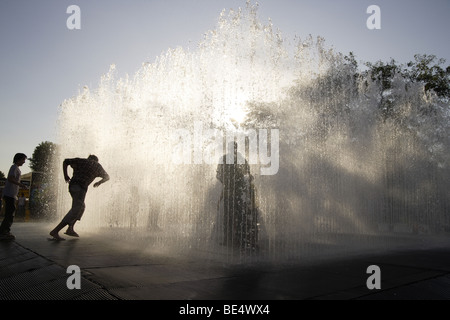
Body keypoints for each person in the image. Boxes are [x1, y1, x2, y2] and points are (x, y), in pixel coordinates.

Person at [49, 155, 109, 240]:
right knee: (76, 209)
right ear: (96, 160)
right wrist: (99, 183)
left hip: (73, 186)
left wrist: (65, 175)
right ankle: (55, 231)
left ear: (88, 158)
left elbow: (65, 161)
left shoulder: (81, 161)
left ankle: (70, 228)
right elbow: (107, 177)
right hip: (81, 188)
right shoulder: (97, 165)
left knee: (81, 207)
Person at [216, 142, 258, 252]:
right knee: (236, 218)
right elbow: (249, 175)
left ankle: (230, 240)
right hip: (237, 194)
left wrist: (226, 182)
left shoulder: (227, 159)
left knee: (230, 218)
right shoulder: (240, 159)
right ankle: (236, 240)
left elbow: (218, 174)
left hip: (231, 193)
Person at [0, 153, 28, 240]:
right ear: (18, 159)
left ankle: (4, 231)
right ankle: (4, 232)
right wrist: (21, 184)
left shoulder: (16, 168)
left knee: (10, 213)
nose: (24, 162)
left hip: (11, 194)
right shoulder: (14, 167)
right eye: (23, 160)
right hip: (9, 194)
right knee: (10, 214)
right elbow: (10, 178)